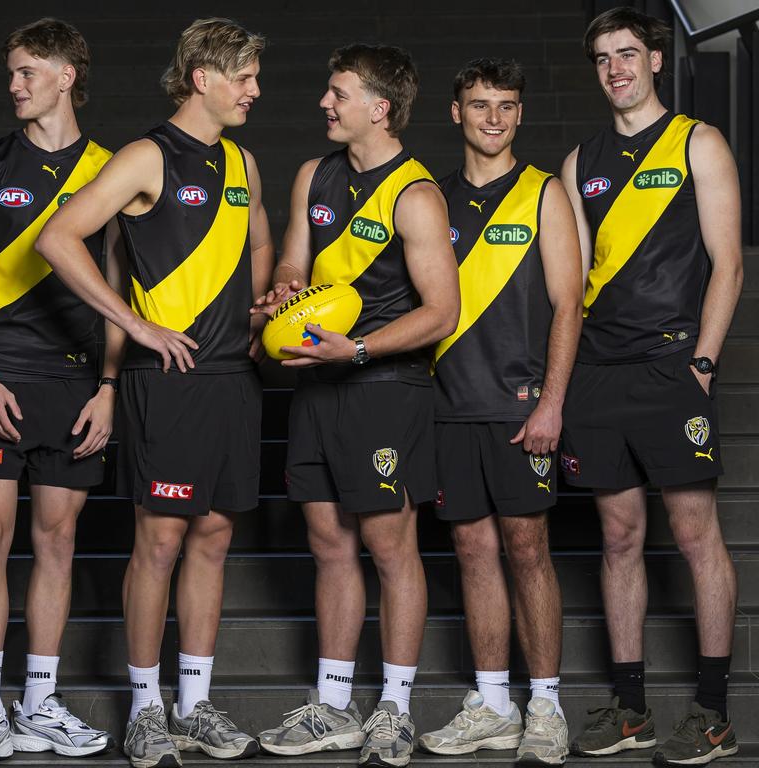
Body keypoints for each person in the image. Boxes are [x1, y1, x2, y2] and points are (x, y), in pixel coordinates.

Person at [36, 17, 272, 768]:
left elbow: (258, 241)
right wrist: (130, 323)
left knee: (213, 538)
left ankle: (195, 703)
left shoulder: (243, 163)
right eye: (245, 76)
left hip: (232, 377)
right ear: (203, 76)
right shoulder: (146, 156)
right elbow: (58, 238)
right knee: (161, 540)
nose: (255, 90)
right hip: (163, 382)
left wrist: (263, 307)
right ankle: (147, 709)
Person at [252, 44, 459, 768]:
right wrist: (282, 291)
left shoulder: (416, 195)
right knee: (328, 546)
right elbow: (292, 263)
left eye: (337, 93)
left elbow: (443, 311)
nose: (324, 103)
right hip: (317, 387)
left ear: (380, 106)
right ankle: (334, 706)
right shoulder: (314, 174)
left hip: (382, 390)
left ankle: (395, 710)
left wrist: (361, 350)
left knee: (390, 550)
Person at [560, 7, 742, 764]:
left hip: (672, 367)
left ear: (657, 59)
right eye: (602, 57)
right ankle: (630, 707)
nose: (615, 68)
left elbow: (728, 264)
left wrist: (701, 364)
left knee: (697, 538)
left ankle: (713, 711)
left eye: (628, 53)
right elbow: (570, 287)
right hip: (599, 374)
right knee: (619, 537)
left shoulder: (698, 142)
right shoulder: (579, 162)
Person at [0, 18, 116, 765]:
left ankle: (40, 701)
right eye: (11, 72)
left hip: (77, 378)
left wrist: (109, 386)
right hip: (3, 371)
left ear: (65, 75)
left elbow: (119, 288)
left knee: (57, 540)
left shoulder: (112, 168)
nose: (14, 84)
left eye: (26, 72)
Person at [414, 58, 581, 766]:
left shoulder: (543, 193)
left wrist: (551, 403)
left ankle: (545, 704)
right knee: (472, 553)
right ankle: (492, 703)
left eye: (506, 106)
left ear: (520, 114)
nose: (493, 118)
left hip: (518, 409)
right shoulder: (431, 198)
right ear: (456, 112)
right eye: (479, 105)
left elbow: (568, 304)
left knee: (527, 551)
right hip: (449, 406)